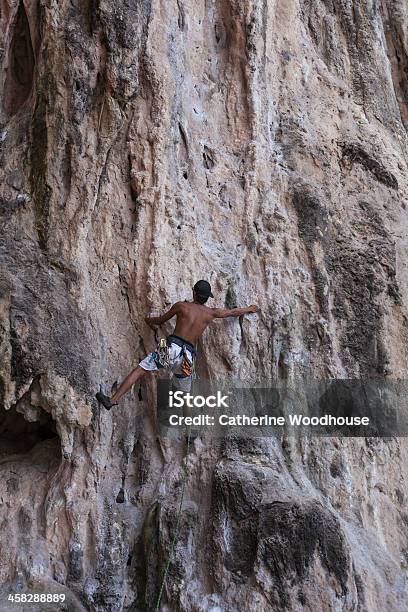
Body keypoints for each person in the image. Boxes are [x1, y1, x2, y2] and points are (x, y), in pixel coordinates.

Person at [96, 280, 260, 409]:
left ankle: (114, 399)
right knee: (185, 394)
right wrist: (250, 308)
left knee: (141, 369)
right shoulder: (211, 313)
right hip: (188, 357)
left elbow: (160, 320)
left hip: (171, 348)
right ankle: (190, 429)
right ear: (207, 297)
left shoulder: (181, 306)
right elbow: (232, 312)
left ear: (194, 292)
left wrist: (147, 320)